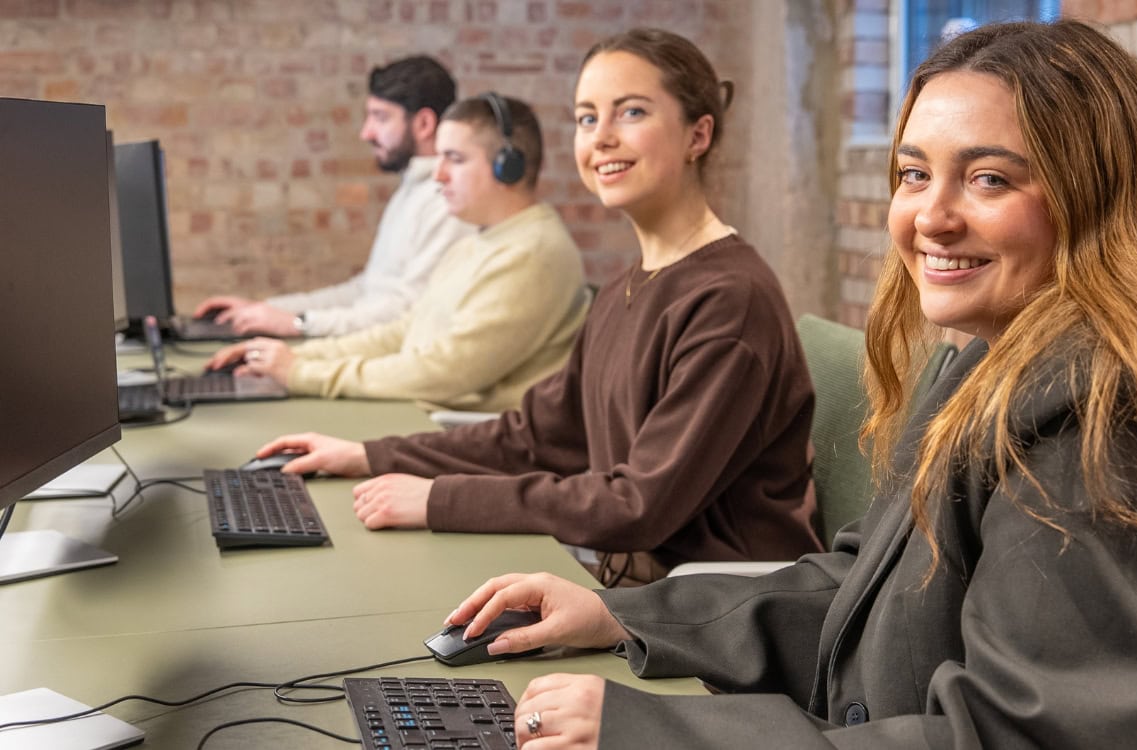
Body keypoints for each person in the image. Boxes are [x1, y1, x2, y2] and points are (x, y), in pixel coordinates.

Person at [438, 21, 1137, 748]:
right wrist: (622, 615)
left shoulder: (1110, 421)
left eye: (991, 179)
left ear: (1097, 202)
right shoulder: (985, 356)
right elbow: (867, 587)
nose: (931, 215)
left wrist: (652, 728)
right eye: (915, 173)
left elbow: (1020, 739)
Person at [254, 29, 822, 586]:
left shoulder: (728, 301)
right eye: (586, 117)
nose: (600, 138)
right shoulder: (634, 283)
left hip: (708, 616)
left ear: (698, 135)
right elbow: (534, 437)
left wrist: (437, 499)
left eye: (631, 113)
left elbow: (636, 504)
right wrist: (370, 455)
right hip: (636, 588)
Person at [205, 94, 588, 413]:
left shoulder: (533, 254)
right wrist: (293, 357)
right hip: (428, 420)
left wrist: (304, 375)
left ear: (508, 166)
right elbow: (404, 332)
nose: (438, 175)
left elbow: (446, 370)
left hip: (471, 441)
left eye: (454, 159)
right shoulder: (478, 243)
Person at [194, 55, 473, 338]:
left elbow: (406, 313)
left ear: (424, 123)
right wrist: (267, 310)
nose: (366, 132)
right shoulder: (413, 190)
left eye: (381, 117)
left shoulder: (446, 203)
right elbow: (367, 291)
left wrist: (299, 324)